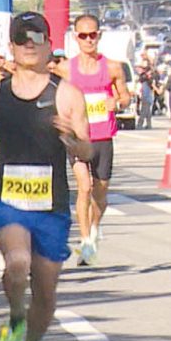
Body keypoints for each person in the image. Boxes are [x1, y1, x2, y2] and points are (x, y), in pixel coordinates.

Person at [0, 12, 91, 341]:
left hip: (51, 205)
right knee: (18, 262)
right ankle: (16, 317)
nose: (30, 45)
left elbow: (87, 150)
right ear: (12, 47)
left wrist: (71, 139)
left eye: (37, 38)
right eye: (22, 39)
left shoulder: (67, 94)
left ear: (49, 45)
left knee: (46, 293)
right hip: (6, 199)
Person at [50, 16, 130, 265]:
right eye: (83, 36)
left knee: (100, 192)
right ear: (76, 38)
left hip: (103, 136)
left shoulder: (113, 67)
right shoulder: (65, 69)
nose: (88, 40)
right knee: (84, 187)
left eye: (92, 35)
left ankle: (94, 228)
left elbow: (126, 97)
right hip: (77, 136)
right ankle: (85, 242)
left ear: (99, 35)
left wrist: (117, 103)